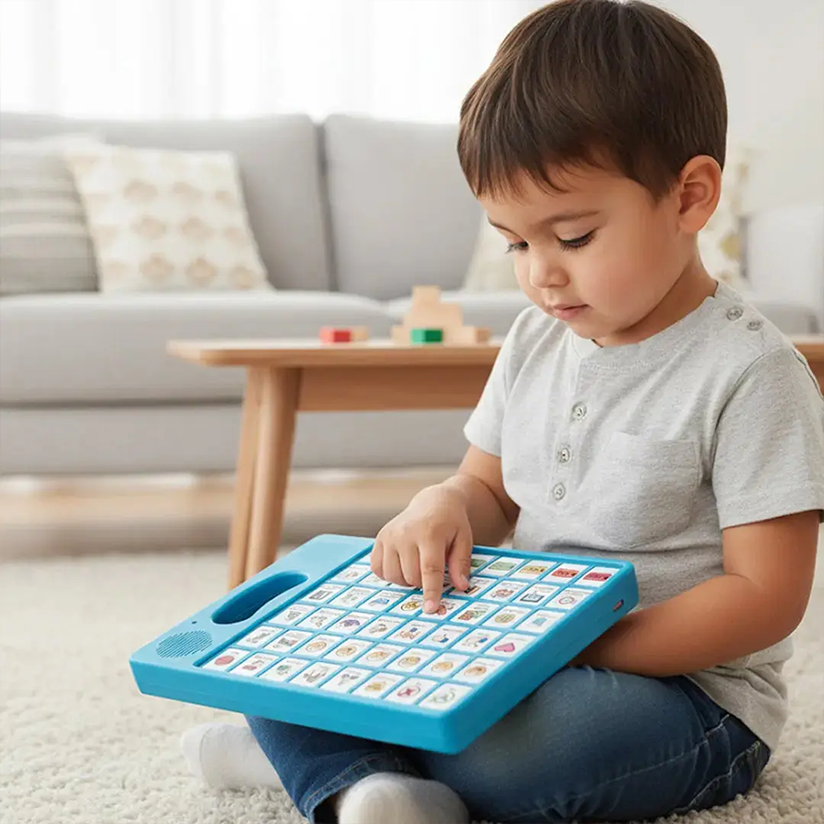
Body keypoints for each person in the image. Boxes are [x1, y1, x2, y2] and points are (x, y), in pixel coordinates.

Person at [180, 1, 824, 821]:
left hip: (685, 696)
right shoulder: (534, 338)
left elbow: (764, 597)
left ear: (690, 197)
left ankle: (316, 756)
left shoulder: (754, 372)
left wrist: (577, 644)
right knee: (282, 634)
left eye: (574, 238)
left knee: (535, 746)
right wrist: (441, 504)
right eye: (517, 242)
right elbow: (487, 490)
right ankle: (365, 786)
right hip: (518, 647)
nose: (540, 276)